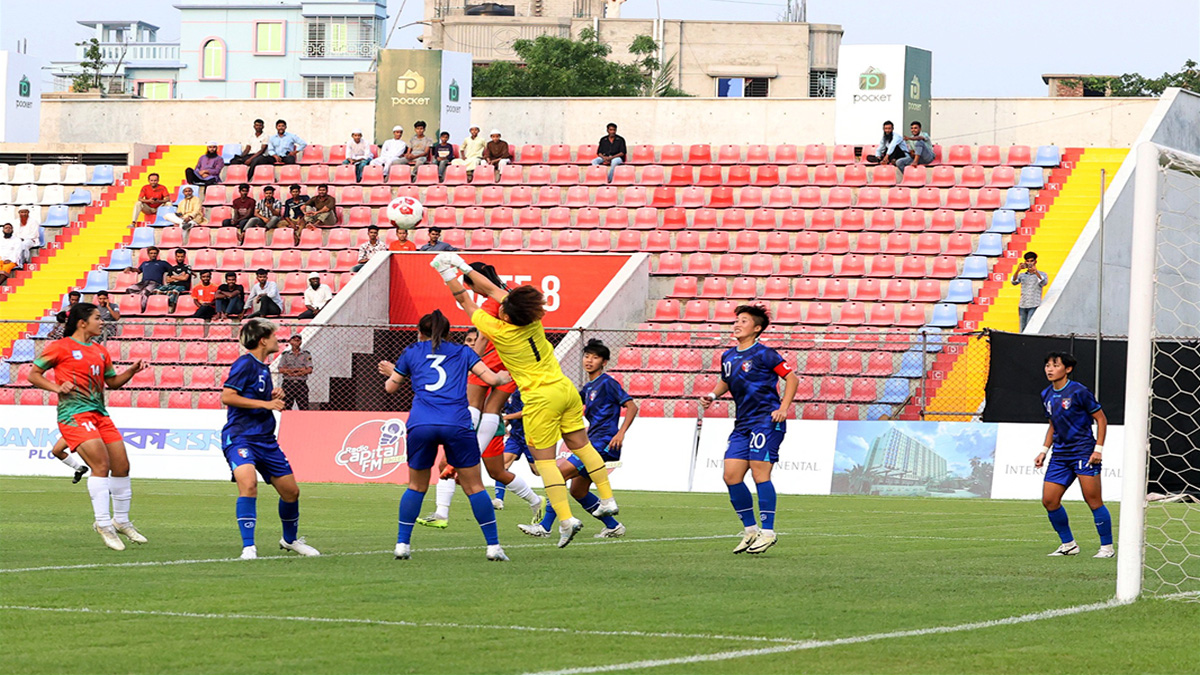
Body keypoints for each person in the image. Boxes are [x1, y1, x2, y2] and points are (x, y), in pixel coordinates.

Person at [431, 252, 619, 547]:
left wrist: (447, 273)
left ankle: (566, 520)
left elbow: (465, 300)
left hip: (540, 398)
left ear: (505, 315)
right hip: (565, 389)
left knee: (544, 462)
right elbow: (495, 290)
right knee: (581, 445)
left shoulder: (499, 330)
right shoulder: (533, 322)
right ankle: (607, 500)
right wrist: (462, 266)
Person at [378, 309, 513, 561]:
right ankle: (493, 546)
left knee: (416, 485)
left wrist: (392, 373)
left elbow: (390, 387)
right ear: (449, 333)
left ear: (420, 333)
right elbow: (492, 379)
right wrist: (502, 377)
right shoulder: (463, 352)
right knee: (474, 486)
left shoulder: (411, 352)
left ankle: (402, 545)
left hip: (422, 423)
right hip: (456, 423)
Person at [418, 264, 544, 529]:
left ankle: (442, 512)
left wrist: (447, 272)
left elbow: (478, 329)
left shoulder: (490, 307)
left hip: (489, 366)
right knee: (496, 467)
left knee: (453, 454)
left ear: (474, 283)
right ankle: (535, 501)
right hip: (513, 368)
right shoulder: (509, 297)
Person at [27, 302, 149, 550]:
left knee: (122, 466)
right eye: (97, 317)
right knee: (100, 465)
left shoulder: (101, 351)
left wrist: (132, 371)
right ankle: (103, 523)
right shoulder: (60, 347)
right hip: (73, 414)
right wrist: (56, 387)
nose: (101, 321)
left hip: (100, 414)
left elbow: (112, 383)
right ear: (82, 322)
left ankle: (121, 521)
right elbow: (33, 375)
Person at [700, 304, 800, 555]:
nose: (736, 324)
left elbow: (792, 378)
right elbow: (725, 380)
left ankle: (768, 532)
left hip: (767, 421)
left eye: (743, 321)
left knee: (759, 474)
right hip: (742, 424)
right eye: (736, 320)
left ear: (756, 329)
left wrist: (783, 408)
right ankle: (750, 530)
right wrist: (713, 394)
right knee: (731, 476)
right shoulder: (728, 356)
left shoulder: (766, 354)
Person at [220, 318, 320, 559]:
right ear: (263, 340)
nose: (278, 340)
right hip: (241, 437)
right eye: (274, 336)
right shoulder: (244, 364)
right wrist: (266, 403)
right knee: (249, 484)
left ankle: (289, 540)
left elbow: (256, 395)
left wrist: (274, 394)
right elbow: (228, 396)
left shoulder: (263, 367)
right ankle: (248, 547)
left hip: (266, 439)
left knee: (291, 492)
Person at [520, 338, 636, 539]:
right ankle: (613, 526)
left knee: (558, 474)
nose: (589, 360)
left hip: (604, 442)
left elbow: (632, 406)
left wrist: (621, 432)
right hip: (592, 441)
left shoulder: (608, 383)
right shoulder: (588, 388)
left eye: (596, 357)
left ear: (604, 362)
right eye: (587, 356)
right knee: (578, 491)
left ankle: (545, 527)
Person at [1035, 352, 1111, 558]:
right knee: (1049, 501)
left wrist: (1098, 449)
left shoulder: (1078, 391)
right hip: (1060, 455)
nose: (1049, 369)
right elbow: (1053, 424)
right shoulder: (1046, 394)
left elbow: (1101, 419)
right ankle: (1068, 544)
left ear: (1067, 369)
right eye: (1047, 365)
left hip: (1083, 452)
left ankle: (1107, 548)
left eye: (1055, 365)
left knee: (1093, 500)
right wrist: (1043, 450)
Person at [123, 246, 173, 312]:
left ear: (157, 254)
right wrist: (130, 268)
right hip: (143, 282)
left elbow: (172, 270)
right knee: (130, 289)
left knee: (145, 292)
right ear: (148, 254)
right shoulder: (145, 263)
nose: (153, 255)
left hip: (155, 283)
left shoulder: (162, 263)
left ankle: (141, 309)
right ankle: (132, 306)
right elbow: (138, 270)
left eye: (155, 253)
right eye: (151, 253)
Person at [1012, 251, 1050, 332]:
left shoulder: (1042, 274)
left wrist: (1036, 272)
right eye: (1028, 261)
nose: (1030, 263)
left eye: (1031, 261)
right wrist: (1018, 270)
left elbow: (1044, 282)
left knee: (1030, 327)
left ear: (1035, 261)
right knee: (1022, 328)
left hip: (1034, 304)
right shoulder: (1022, 275)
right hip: (1023, 304)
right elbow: (1014, 282)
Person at [278, 334, 313, 410]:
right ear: (290, 341)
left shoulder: (306, 354)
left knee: (304, 408)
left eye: (298, 340)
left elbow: (309, 370)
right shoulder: (285, 355)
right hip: (288, 384)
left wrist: (289, 371)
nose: (297, 341)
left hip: (301, 384)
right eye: (294, 340)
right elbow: (281, 369)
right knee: (286, 407)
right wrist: (301, 370)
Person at [156, 248, 192, 313]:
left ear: (184, 257)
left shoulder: (187, 267)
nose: (180, 258)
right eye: (178, 256)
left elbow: (185, 278)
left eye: (181, 257)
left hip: (182, 286)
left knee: (173, 291)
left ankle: (171, 309)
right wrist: (180, 277)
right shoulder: (172, 268)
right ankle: (158, 307)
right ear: (175, 257)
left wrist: (173, 277)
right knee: (157, 290)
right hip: (171, 285)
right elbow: (168, 280)